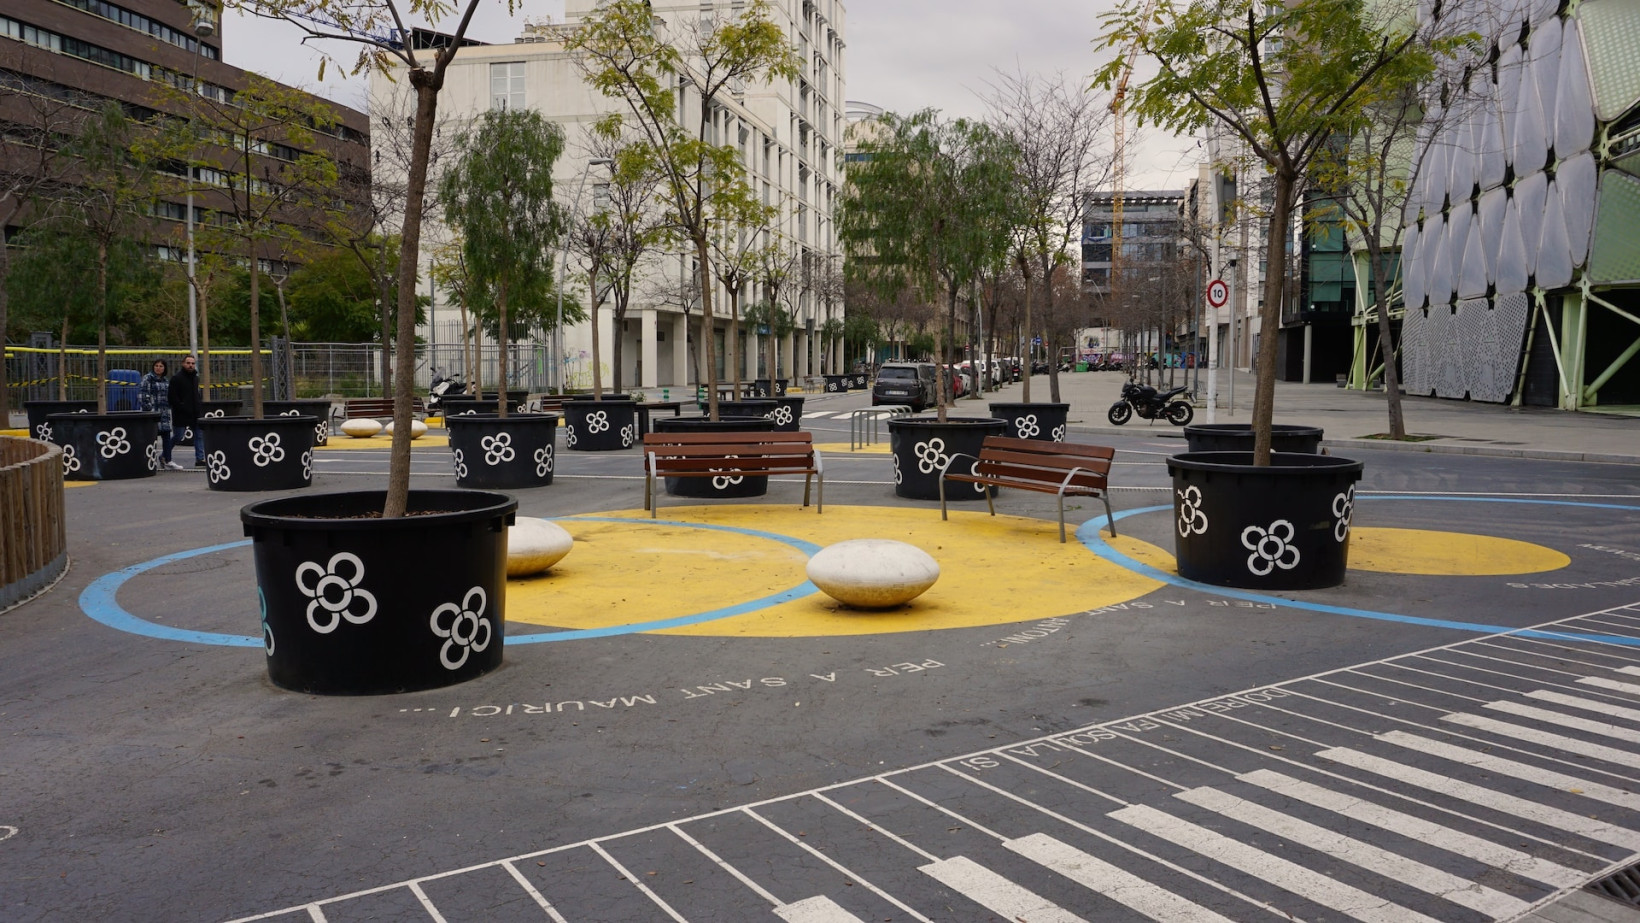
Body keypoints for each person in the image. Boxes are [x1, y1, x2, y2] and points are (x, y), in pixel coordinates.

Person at [139, 359, 183, 470]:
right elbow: (143, 395)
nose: (158, 368)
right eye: (157, 365)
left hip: (165, 413)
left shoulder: (165, 380)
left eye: (161, 366)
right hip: (153, 413)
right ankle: (148, 459)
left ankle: (167, 460)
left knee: (167, 436)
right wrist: (149, 409)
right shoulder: (147, 378)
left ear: (164, 368)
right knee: (151, 437)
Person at [170, 354, 205, 468]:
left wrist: (199, 407)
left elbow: (196, 394)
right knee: (178, 436)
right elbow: (172, 397)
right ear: (183, 363)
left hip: (195, 412)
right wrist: (181, 407)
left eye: (192, 363)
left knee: (199, 435)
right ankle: (165, 454)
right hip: (181, 414)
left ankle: (200, 459)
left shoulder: (195, 377)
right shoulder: (176, 378)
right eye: (188, 363)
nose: (190, 365)